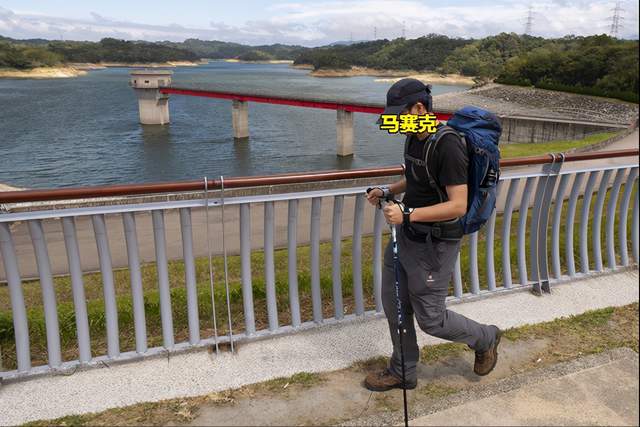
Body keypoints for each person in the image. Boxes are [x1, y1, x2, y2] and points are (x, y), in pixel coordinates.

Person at [364, 78, 502, 392]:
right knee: (394, 303)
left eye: (400, 113)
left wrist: (407, 213)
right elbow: (418, 178)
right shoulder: (415, 136)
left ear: (419, 108)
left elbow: (457, 205)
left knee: (431, 319)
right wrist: (388, 190)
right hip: (406, 235)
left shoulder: (448, 145)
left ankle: (486, 337)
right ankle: (402, 371)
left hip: (435, 243)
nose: (395, 120)